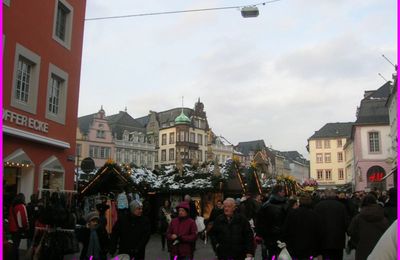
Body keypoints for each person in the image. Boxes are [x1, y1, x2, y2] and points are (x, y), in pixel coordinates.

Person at [347, 194, 390, 260]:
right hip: (379, 251)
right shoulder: (383, 217)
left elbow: (350, 232)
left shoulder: (358, 218)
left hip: (362, 250)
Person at [282, 193, 322, 260]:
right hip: (310, 248)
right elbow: (319, 233)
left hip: (295, 247)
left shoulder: (292, 214)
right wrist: (319, 251)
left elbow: (286, 230)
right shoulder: (315, 215)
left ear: (299, 202)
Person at [314, 189, 349, 260]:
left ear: (324, 195)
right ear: (335, 195)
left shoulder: (318, 206)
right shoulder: (341, 206)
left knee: (326, 257)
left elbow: (315, 224)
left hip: (323, 240)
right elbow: (346, 223)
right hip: (338, 240)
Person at [255, 184, 288, 260]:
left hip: (269, 237)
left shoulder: (265, 205)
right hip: (282, 236)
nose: (284, 193)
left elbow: (260, 222)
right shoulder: (286, 205)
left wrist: (260, 234)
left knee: (272, 254)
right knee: (283, 255)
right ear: (278, 192)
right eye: (283, 192)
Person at [8, 193, 29, 260]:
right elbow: (24, 218)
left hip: (12, 228)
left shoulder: (12, 206)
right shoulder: (21, 206)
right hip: (18, 229)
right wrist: (26, 227)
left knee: (15, 245)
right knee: (16, 246)